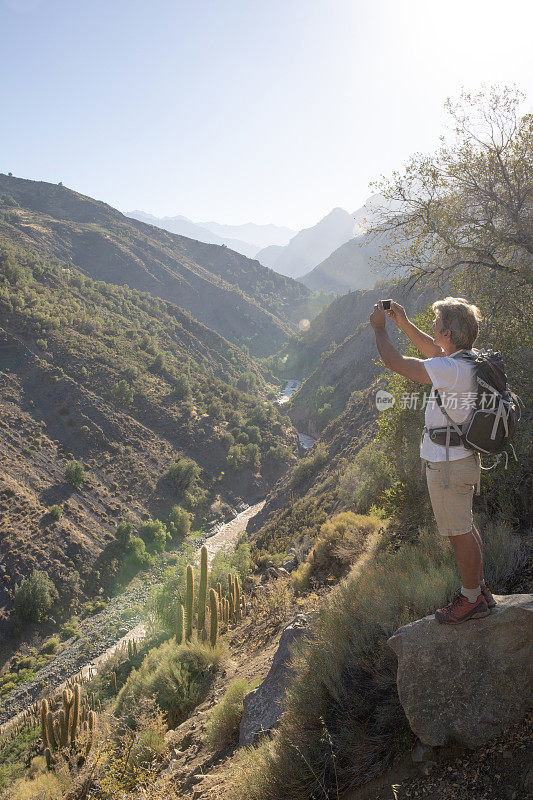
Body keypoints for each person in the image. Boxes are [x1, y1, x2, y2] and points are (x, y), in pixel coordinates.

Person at [369, 296, 496, 624]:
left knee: (457, 532)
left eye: (437, 324)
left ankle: (470, 599)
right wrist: (404, 323)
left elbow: (396, 363)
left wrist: (379, 330)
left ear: (449, 333)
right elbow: (434, 351)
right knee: (465, 526)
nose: (434, 327)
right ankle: (479, 589)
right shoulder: (465, 361)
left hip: (448, 463)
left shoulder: (450, 368)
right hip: (461, 457)